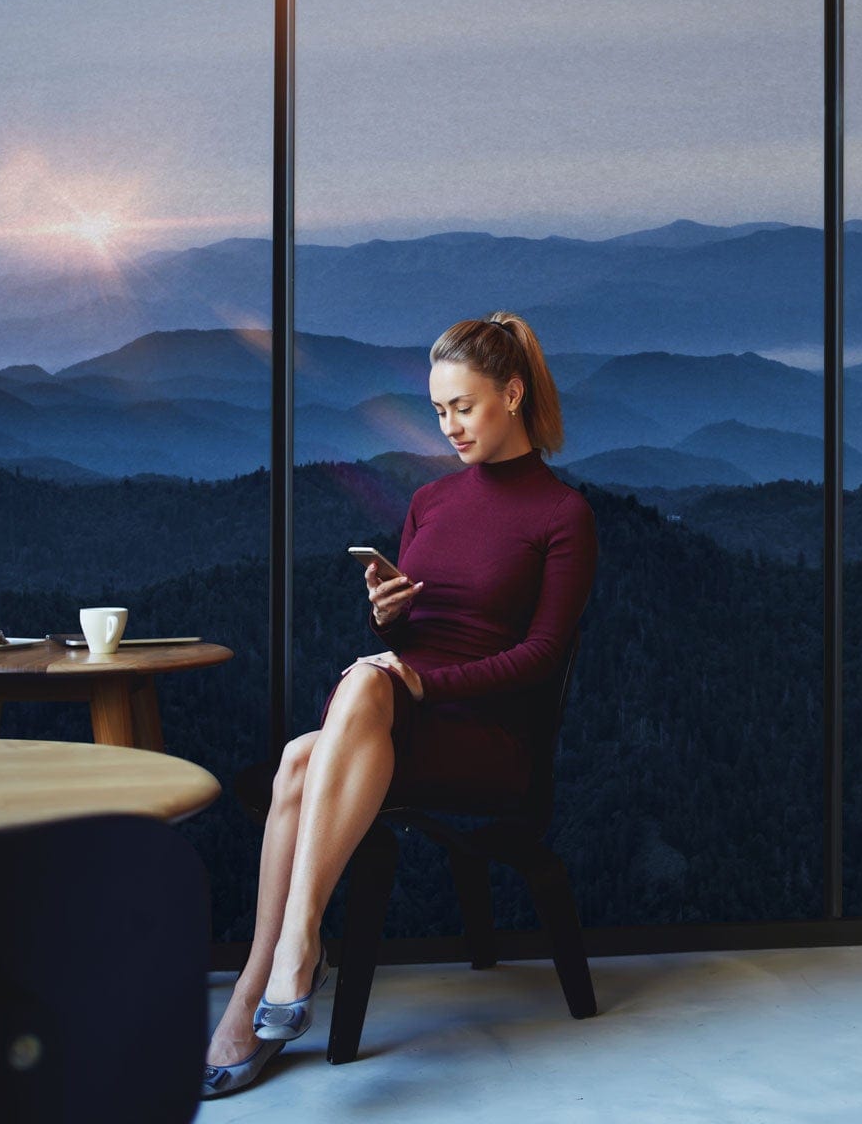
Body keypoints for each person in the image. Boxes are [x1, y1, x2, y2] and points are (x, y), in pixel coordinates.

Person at [202, 311, 599, 1097]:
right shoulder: (431, 502)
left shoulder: (563, 517)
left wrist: (421, 681)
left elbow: (543, 657)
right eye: (439, 409)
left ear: (513, 395)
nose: (448, 426)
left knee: (327, 725)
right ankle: (273, 973)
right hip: (397, 715)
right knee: (303, 751)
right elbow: (421, 633)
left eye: (465, 407)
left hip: (486, 739)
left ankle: (284, 965)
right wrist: (390, 612)